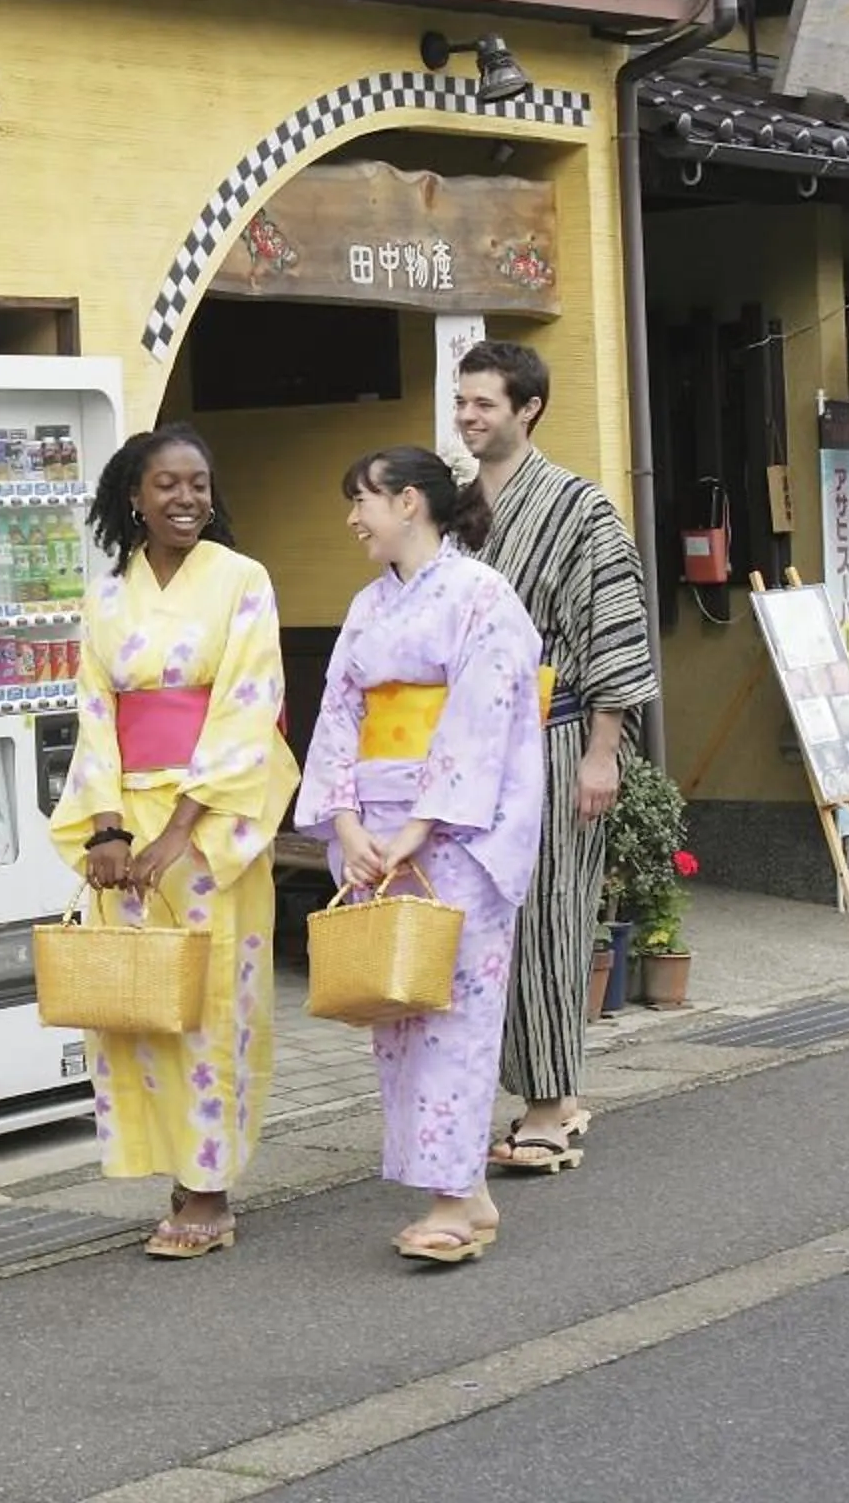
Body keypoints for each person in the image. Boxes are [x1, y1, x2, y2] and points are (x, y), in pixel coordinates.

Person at [49, 425, 297, 1260]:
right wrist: (109, 830)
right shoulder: (106, 595)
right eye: (167, 485)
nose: (187, 498)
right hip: (127, 819)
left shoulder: (242, 580)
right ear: (134, 496)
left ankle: (209, 1188)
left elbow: (247, 702)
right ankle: (170, 1168)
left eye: (199, 483)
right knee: (137, 1003)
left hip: (214, 818)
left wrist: (181, 828)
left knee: (210, 999)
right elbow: (93, 713)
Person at [295, 446, 546, 1264]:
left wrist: (418, 825)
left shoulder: (482, 597)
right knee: (396, 1012)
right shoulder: (368, 606)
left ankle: (449, 1200)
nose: (352, 518)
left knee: (456, 1015)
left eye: (361, 500)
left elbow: (483, 718)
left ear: (409, 503)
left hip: (458, 836)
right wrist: (344, 819)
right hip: (377, 828)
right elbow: (338, 714)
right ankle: (464, 1193)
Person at [455, 339, 659, 1175]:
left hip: (556, 733)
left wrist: (601, 753)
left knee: (548, 916)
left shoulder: (579, 508)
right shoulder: (456, 506)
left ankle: (548, 1105)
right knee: (481, 922)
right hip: (472, 746)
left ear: (528, 408)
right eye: (461, 402)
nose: (467, 417)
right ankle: (533, 1093)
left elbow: (613, 625)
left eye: (484, 405)